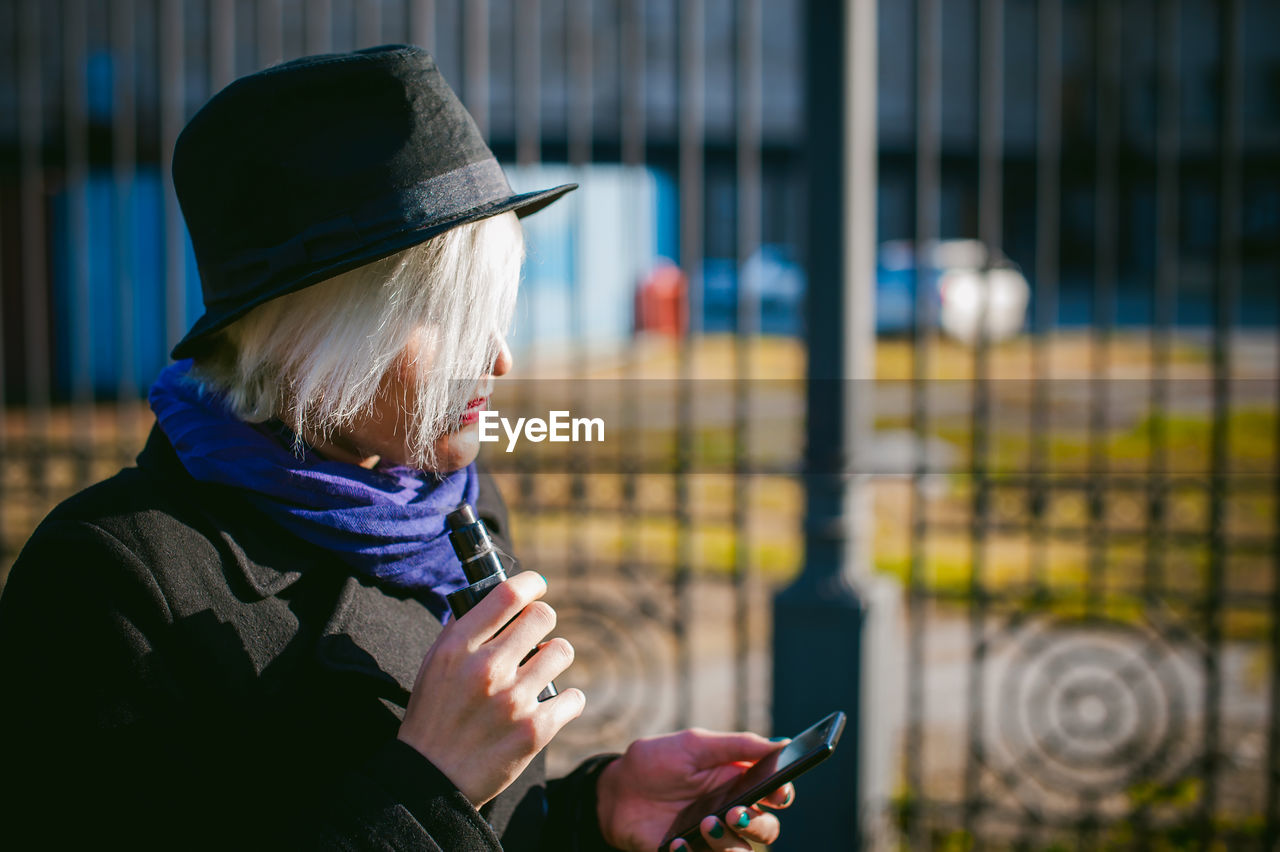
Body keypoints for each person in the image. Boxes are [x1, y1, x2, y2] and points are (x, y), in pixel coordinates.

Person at [0, 46, 795, 850]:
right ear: (309, 336)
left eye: (496, 311)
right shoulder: (108, 578)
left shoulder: (452, 507)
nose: (499, 360)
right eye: (449, 317)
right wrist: (428, 781)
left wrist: (599, 816)